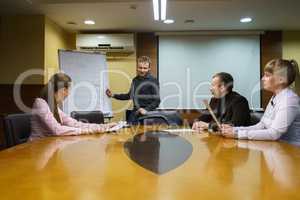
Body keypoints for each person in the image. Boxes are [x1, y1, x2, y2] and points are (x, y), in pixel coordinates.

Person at [222, 59, 300, 143]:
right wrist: (234, 129)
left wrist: (238, 134)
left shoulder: (289, 100)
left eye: (267, 75)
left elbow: (274, 134)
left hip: (292, 152)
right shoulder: (275, 96)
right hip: (276, 148)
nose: (263, 79)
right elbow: (261, 125)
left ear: (281, 79)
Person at [30, 73, 116, 140]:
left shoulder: (54, 106)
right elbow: (57, 130)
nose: (68, 94)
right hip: (37, 148)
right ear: (63, 90)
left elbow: (74, 124)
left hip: (49, 145)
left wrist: (103, 127)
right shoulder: (40, 104)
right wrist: (88, 131)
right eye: (69, 90)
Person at [106, 56, 160, 124]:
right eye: (140, 68)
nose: (142, 70)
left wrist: (146, 109)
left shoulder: (153, 80)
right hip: (135, 113)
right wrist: (113, 95)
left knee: (146, 133)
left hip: (148, 113)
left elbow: (157, 100)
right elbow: (129, 95)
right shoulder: (135, 80)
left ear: (149, 68)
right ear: (137, 67)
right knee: (129, 131)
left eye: (145, 68)